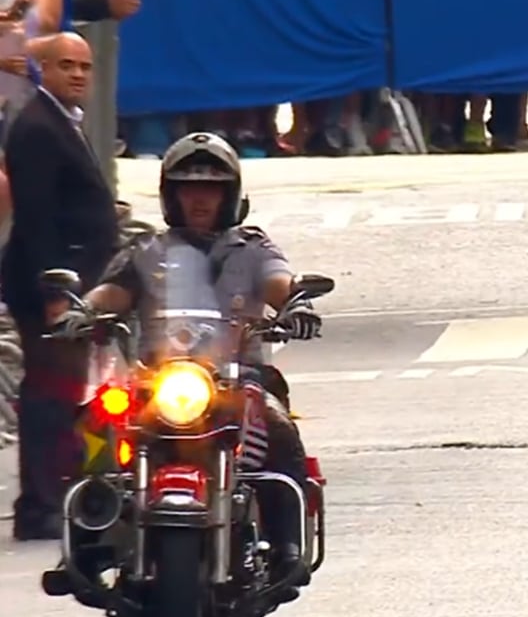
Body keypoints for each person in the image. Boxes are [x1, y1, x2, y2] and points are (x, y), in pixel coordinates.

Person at [50, 131, 321, 585]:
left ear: (230, 194)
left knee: (276, 422)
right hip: (159, 377)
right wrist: (82, 311)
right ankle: (88, 540)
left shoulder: (253, 247)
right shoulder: (146, 250)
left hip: (236, 375)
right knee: (95, 419)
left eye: (211, 188)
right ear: (170, 194)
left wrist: (297, 304)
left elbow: (280, 282)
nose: (200, 198)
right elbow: (110, 292)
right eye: (188, 187)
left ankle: (286, 542)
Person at [2, 32, 117, 541]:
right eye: (65, 65)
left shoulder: (62, 121)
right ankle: (41, 505)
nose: (77, 75)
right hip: (52, 289)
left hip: (76, 286)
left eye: (85, 67)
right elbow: (38, 218)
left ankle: (63, 492)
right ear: (39, 68)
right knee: (50, 394)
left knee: (69, 391)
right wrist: (55, 292)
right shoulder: (37, 128)